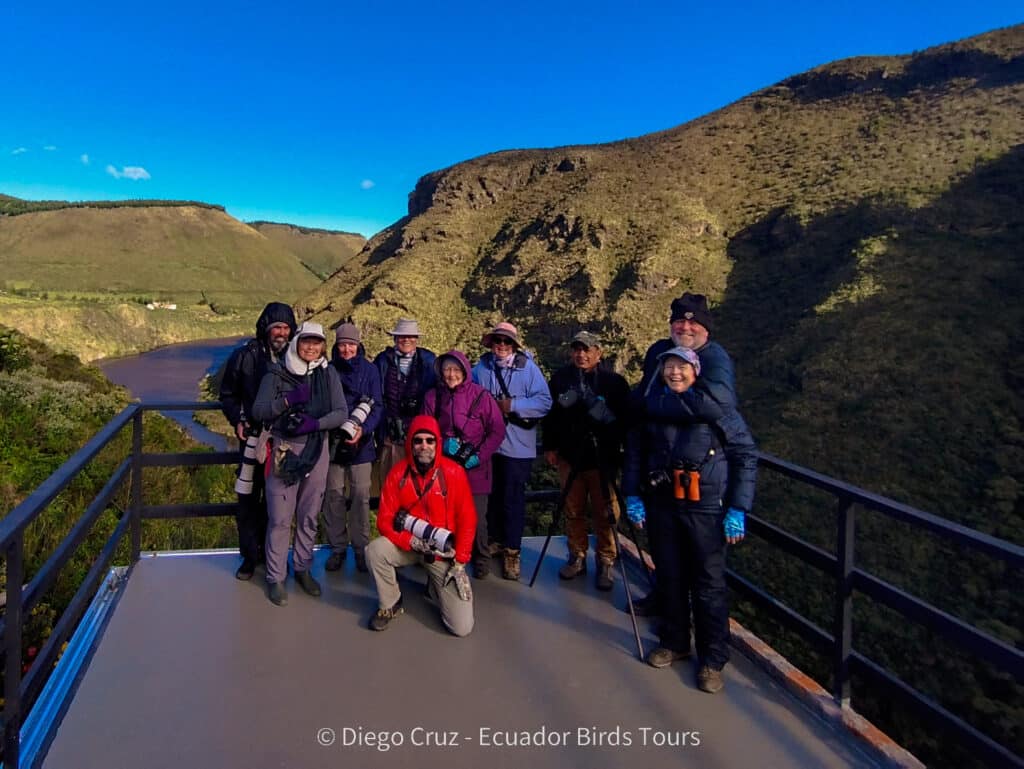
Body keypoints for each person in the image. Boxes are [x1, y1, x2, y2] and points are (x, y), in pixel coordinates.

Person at [622, 346, 757, 693]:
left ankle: (712, 660)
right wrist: (633, 494)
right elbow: (636, 451)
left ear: (696, 372)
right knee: (669, 576)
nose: (675, 373)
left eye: (682, 367)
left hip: (707, 509)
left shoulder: (718, 411)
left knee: (709, 585)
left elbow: (744, 455)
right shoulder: (654, 406)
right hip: (663, 506)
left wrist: (738, 508)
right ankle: (675, 641)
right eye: (669, 367)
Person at [633, 292, 738, 616]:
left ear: (706, 328)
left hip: (703, 483)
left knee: (704, 568)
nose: (686, 327)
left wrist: (656, 407)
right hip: (660, 469)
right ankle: (664, 604)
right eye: (679, 320)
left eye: (693, 322)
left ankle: (707, 638)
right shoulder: (657, 352)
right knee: (665, 554)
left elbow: (716, 405)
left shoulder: (715, 358)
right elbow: (640, 397)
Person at [252, 322, 348, 606]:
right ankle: (275, 576)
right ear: (297, 342)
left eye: (317, 343)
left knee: (308, 513)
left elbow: (341, 412)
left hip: (316, 450)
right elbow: (259, 410)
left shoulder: (327, 372)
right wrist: (286, 402)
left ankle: (303, 567)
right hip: (284, 449)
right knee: (281, 517)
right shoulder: (277, 372)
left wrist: (316, 423)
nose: (311, 348)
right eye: (307, 342)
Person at [365, 415, 477, 637]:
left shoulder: (453, 473)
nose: (424, 446)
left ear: (437, 443)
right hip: (410, 545)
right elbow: (385, 520)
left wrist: (460, 559)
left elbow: (467, 519)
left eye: (430, 440)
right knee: (375, 551)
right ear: (410, 443)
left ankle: (436, 586)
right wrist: (411, 541)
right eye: (418, 441)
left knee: (461, 627)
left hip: (442, 552)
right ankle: (391, 602)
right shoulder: (398, 474)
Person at [542, 331, 630, 591]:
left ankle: (606, 560)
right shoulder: (560, 379)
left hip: (603, 459)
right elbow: (552, 415)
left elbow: (622, 421)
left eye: (587, 349)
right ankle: (577, 555)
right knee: (572, 509)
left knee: (606, 512)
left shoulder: (614, 383)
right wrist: (550, 447)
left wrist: (596, 407)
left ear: (598, 353)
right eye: (577, 349)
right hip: (570, 457)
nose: (581, 354)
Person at [219, 301, 296, 581]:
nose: (281, 332)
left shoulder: (296, 358)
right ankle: (250, 558)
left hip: (283, 443)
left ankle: (275, 557)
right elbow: (228, 395)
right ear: (266, 327)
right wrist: (237, 420)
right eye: (277, 326)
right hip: (252, 439)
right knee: (248, 499)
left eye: (286, 327)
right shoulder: (245, 356)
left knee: (279, 502)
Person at [472, 322, 552, 580]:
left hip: (517, 447)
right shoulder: (481, 369)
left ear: (514, 345)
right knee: (491, 497)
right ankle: (495, 540)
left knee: (513, 500)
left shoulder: (528, 369)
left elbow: (544, 402)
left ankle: (512, 551)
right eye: (498, 342)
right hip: (489, 446)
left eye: (506, 342)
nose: (502, 347)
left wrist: (513, 405)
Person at [422, 350, 506, 579]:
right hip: (445, 467)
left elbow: (497, 430)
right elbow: (425, 429)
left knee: (477, 517)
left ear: (465, 371)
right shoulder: (433, 397)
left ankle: (481, 558)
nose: (451, 375)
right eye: (447, 369)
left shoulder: (481, 396)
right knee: (445, 516)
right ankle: (447, 556)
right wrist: (441, 444)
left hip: (476, 468)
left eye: (456, 370)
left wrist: (479, 456)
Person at [322, 321, 383, 574]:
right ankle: (337, 548)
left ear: (358, 345)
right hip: (334, 443)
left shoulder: (370, 371)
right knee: (333, 495)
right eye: (343, 344)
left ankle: (361, 549)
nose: (347, 349)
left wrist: (363, 429)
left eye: (351, 344)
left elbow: (377, 405)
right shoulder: (328, 371)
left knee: (360, 497)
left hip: (363, 446)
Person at [373, 318, 436, 483]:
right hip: (390, 431)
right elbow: (376, 394)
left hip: (418, 430)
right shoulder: (383, 361)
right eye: (401, 336)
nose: (406, 340)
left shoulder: (428, 361)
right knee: (390, 479)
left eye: (411, 336)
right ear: (395, 339)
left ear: (416, 339)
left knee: (417, 480)